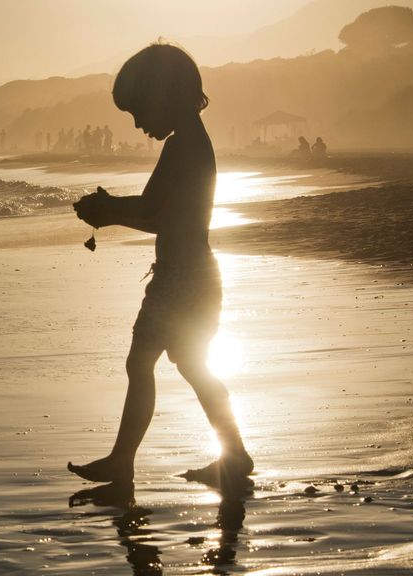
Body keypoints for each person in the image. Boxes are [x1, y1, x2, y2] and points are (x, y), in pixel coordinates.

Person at [69, 44, 254, 490]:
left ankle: (122, 462)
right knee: (191, 366)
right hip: (193, 274)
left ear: (164, 96)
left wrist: (110, 208)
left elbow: (154, 209)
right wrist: (111, 213)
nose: (136, 124)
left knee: (144, 362)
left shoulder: (184, 145)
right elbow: (162, 217)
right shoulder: (190, 140)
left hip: (182, 279)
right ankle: (235, 455)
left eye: (138, 111)